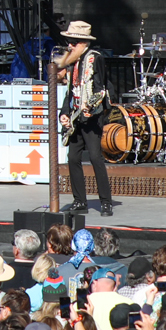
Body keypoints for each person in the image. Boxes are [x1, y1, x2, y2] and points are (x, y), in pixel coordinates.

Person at [54, 20, 116, 218]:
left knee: (96, 158)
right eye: (69, 42)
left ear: (84, 43)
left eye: (73, 42)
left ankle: (106, 202)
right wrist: (64, 113)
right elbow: (70, 93)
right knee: (73, 158)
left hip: (92, 116)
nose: (70, 46)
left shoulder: (95, 58)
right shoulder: (73, 62)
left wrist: (93, 107)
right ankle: (79, 200)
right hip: (76, 116)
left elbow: (102, 88)